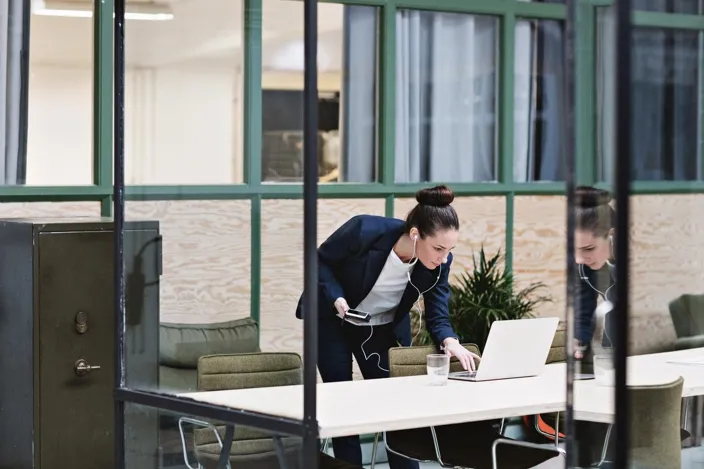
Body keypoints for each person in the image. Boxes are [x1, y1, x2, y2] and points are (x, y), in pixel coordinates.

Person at [295, 184, 479, 469]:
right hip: (332, 318)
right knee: (343, 403)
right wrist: (336, 297)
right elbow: (320, 259)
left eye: (449, 250)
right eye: (438, 248)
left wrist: (450, 341)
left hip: (381, 328)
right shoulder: (364, 230)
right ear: (416, 234)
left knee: (397, 406)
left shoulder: (440, 263)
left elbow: (438, 312)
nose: (443, 258)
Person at [573, 186, 617, 360]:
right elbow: (584, 309)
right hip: (611, 350)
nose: (579, 259)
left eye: (589, 248)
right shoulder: (584, 264)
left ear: (612, 236)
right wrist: (578, 342)